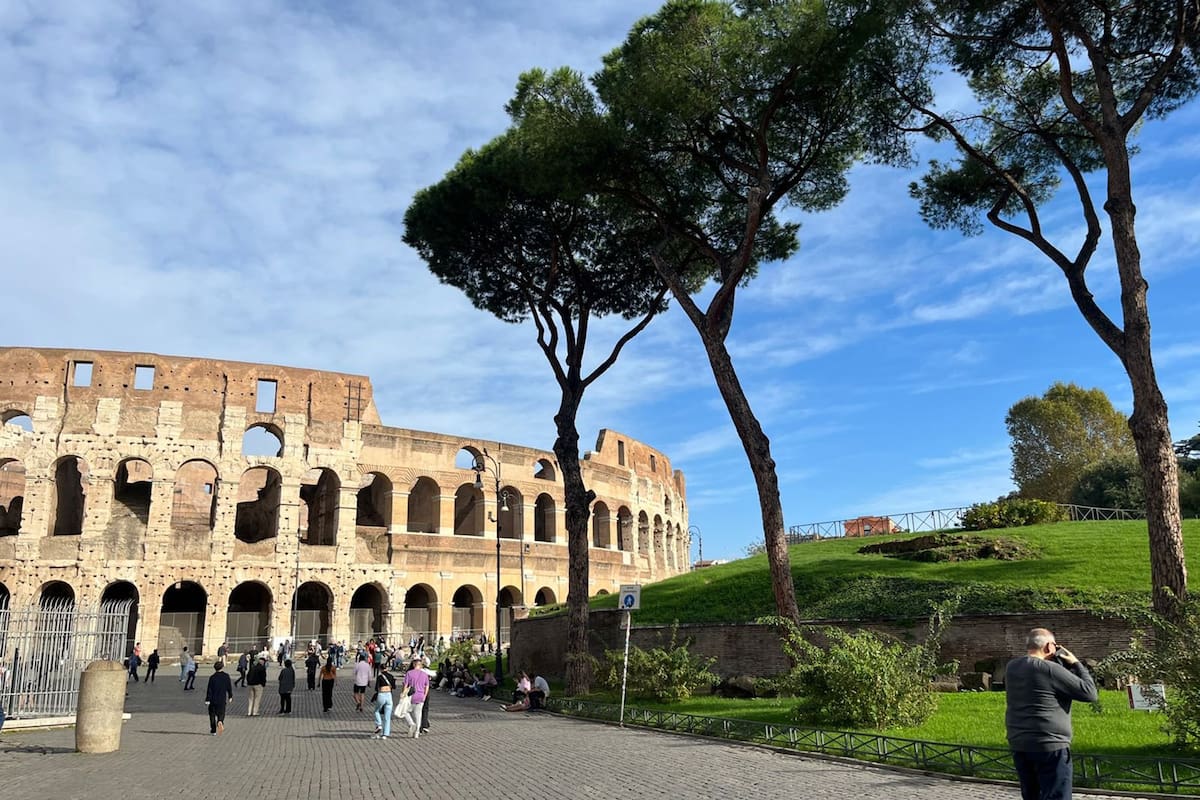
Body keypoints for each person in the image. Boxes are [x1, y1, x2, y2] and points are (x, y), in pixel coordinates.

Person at [1006, 627, 1098, 800]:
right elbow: (1089, 693)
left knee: (1032, 795)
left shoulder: (1012, 667)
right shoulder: (1048, 669)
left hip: (1020, 742)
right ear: (1049, 646)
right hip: (1050, 744)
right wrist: (1076, 663)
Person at [400, 656, 430, 738]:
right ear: (420, 665)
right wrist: (424, 695)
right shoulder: (424, 674)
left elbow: (405, 685)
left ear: (414, 664)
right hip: (421, 695)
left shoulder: (409, 673)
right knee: (418, 714)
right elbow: (427, 686)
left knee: (404, 710)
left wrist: (403, 694)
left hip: (411, 695)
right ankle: (417, 732)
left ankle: (411, 723)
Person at [204, 661, 234, 736]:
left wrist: (207, 699)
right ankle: (220, 721)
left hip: (213, 699)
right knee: (221, 712)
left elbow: (209, 689)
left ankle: (213, 730)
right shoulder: (226, 676)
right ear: (222, 667)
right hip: (222, 699)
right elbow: (229, 687)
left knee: (212, 714)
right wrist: (230, 696)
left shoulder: (212, 677)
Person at [370, 663, 397, 739]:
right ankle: (385, 734)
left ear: (380, 669)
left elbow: (376, 688)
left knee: (377, 711)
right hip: (389, 696)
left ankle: (379, 724)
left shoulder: (380, 677)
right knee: (387, 716)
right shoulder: (391, 676)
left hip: (381, 695)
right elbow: (394, 687)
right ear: (387, 668)